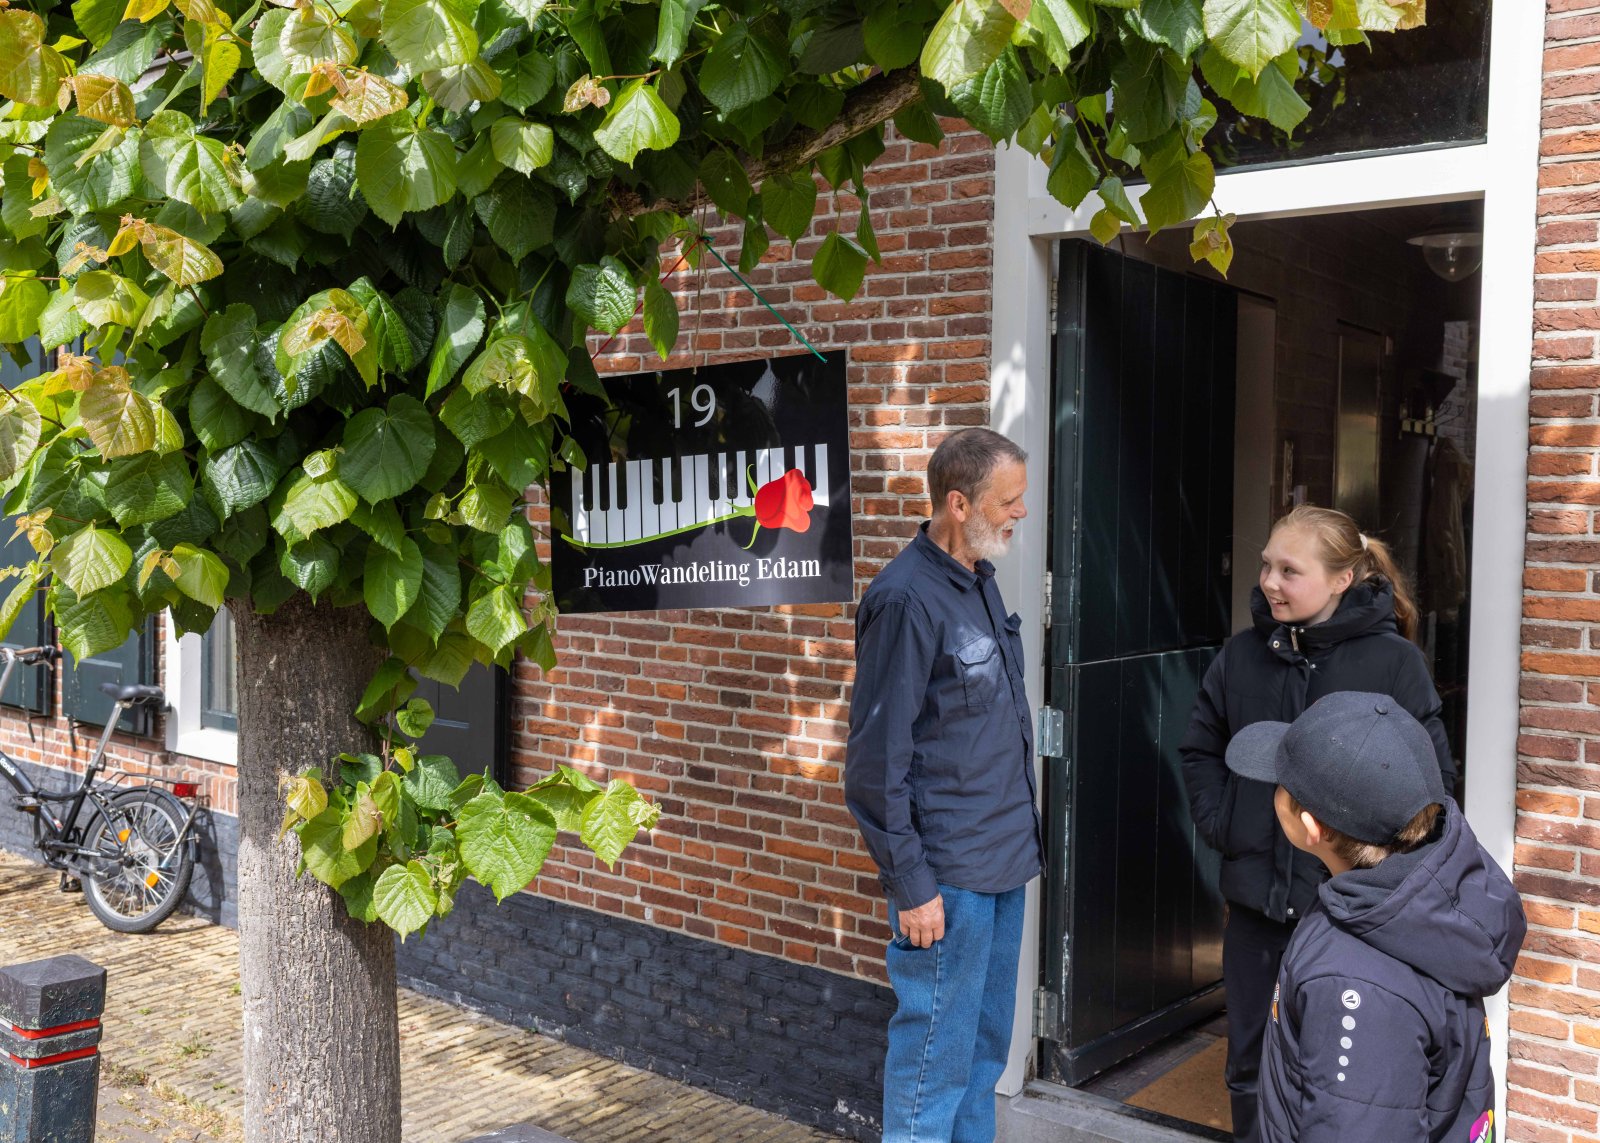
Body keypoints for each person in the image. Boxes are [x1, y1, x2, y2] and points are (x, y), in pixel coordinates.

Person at [1180, 504, 1455, 1143]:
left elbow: (1432, 785)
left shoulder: (1394, 665)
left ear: (1341, 579)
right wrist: (1227, 825)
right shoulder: (1241, 656)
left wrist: (1377, 871)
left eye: (1289, 570)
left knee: (1336, 1080)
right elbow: (1200, 746)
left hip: (1350, 914)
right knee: (1248, 1068)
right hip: (1256, 911)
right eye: (1266, 566)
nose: (1269, 583)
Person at [845, 427, 1041, 1143]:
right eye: (1008, 500)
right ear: (958, 503)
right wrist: (911, 884)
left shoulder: (979, 579)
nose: (1021, 512)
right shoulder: (904, 600)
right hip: (947, 881)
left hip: (1003, 864)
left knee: (982, 1057)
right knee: (933, 1065)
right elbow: (875, 765)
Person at [1223, 692, 1524, 1143]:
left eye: (1281, 785)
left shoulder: (1357, 984)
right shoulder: (1424, 891)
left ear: (1311, 828)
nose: (1274, 791)